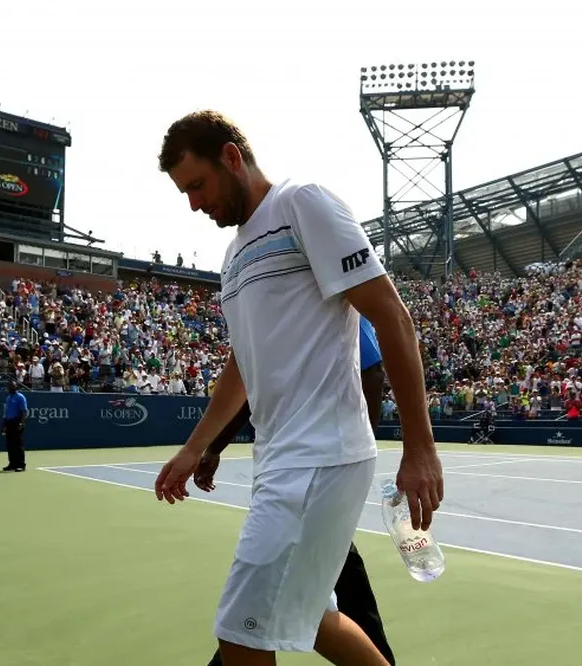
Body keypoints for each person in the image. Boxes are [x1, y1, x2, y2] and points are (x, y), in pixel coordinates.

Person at [154, 110, 443, 666]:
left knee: (240, 631)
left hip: (320, 456)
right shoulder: (234, 258)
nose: (193, 202)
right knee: (314, 618)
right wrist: (198, 447)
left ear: (231, 157)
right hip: (283, 460)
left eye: (198, 184)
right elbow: (243, 366)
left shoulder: (302, 202)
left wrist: (420, 448)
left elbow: (391, 316)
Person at [197, 316, 396, 666]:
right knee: (306, 608)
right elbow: (246, 388)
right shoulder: (267, 313)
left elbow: (374, 369)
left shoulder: (325, 296)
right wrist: (213, 446)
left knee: (248, 614)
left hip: (315, 473)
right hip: (287, 474)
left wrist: (353, 446)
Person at [2, 381, 28, 472]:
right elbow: (6, 413)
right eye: (9, 386)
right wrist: (4, 425)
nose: (10, 388)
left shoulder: (20, 397)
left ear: (16, 387)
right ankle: (12, 464)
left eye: (12, 386)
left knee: (18, 444)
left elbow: (24, 411)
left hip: (17, 422)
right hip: (9, 422)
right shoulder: (8, 398)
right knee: (10, 444)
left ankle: (21, 465)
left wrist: (21, 423)